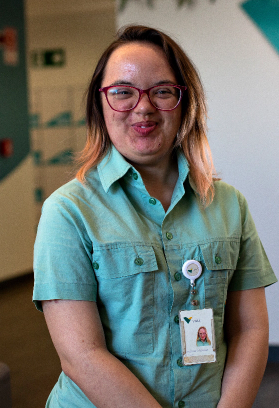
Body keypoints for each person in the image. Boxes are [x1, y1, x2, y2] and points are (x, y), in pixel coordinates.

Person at [33, 25, 277, 408]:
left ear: (185, 103)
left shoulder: (229, 205)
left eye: (162, 91)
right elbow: (82, 355)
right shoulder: (68, 211)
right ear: (100, 104)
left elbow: (250, 329)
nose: (143, 107)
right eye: (122, 93)